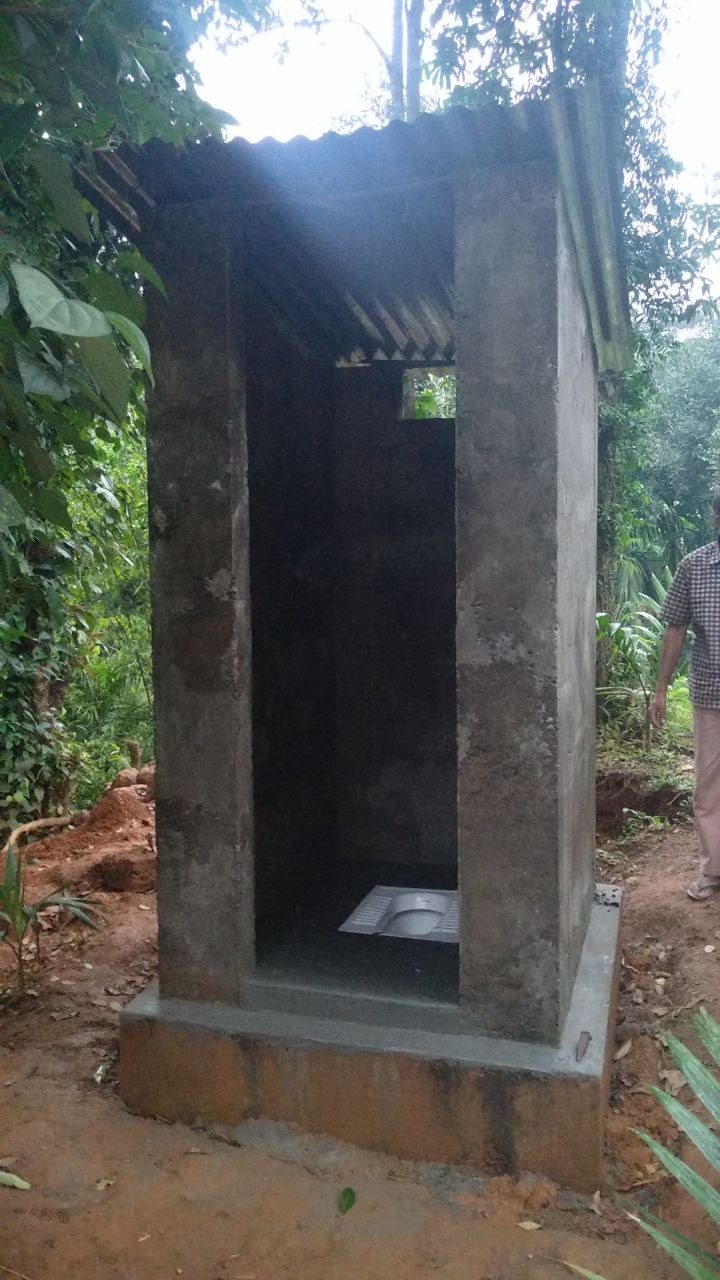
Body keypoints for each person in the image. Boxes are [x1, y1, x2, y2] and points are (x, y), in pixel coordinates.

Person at [649, 491, 720, 900]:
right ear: (716, 519)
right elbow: (674, 627)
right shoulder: (695, 566)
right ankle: (713, 869)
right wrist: (660, 689)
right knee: (709, 788)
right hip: (711, 693)